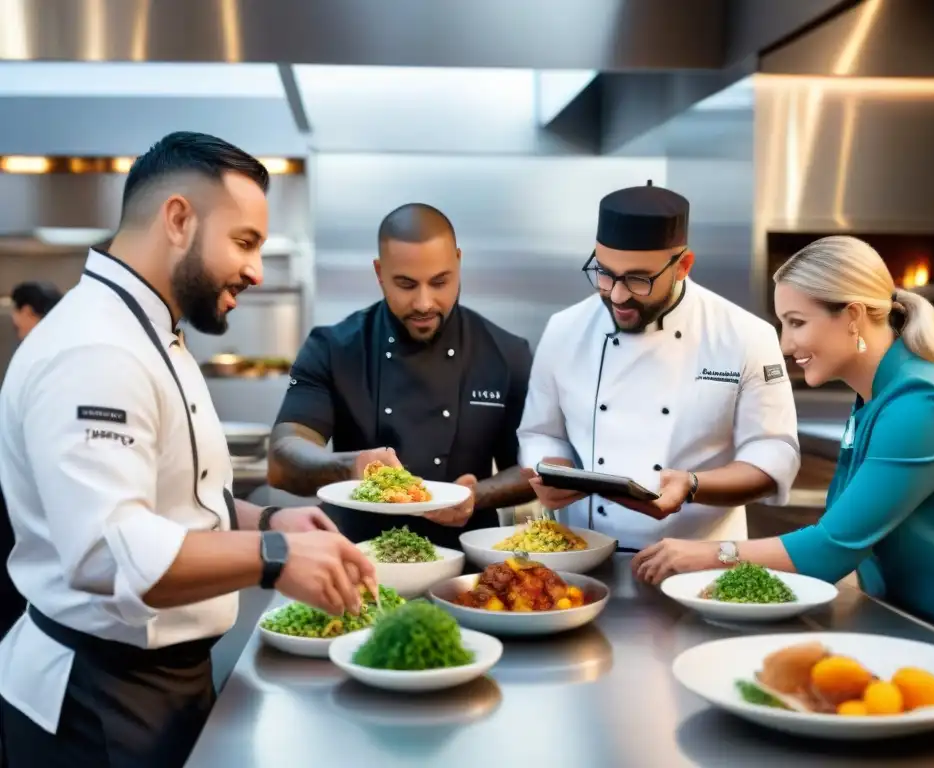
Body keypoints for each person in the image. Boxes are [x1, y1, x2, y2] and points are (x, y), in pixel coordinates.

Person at [0, 131, 377, 768]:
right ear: (178, 219)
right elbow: (106, 552)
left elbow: (178, 502)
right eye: (245, 242)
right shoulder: (97, 348)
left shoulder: (151, 332)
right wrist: (274, 555)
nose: (256, 269)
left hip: (156, 680)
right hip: (101, 697)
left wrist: (269, 519)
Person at [633, 235, 934, 667]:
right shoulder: (876, 397)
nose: (784, 344)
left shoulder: (922, 403)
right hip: (927, 629)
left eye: (796, 322)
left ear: (853, 316)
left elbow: (831, 549)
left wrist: (707, 553)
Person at [517, 181, 801, 552]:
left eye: (638, 279)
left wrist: (694, 486)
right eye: (604, 273)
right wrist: (549, 470)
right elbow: (541, 432)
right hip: (582, 555)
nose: (617, 295)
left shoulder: (746, 336)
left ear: (683, 265)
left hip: (700, 561)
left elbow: (772, 452)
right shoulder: (564, 329)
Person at [268, 203, 535, 549]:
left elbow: (533, 469)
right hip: (352, 557)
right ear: (379, 273)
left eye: (440, 281)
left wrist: (475, 495)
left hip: (465, 572)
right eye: (406, 284)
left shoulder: (507, 354)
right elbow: (282, 457)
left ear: (458, 261)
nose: (424, 302)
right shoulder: (332, 348)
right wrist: (350, 465)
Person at [0, 283, 63, 639]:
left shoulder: (38, 351)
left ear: (26, 311)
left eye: (16, 312)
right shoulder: (62, 341)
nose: (14, 321)